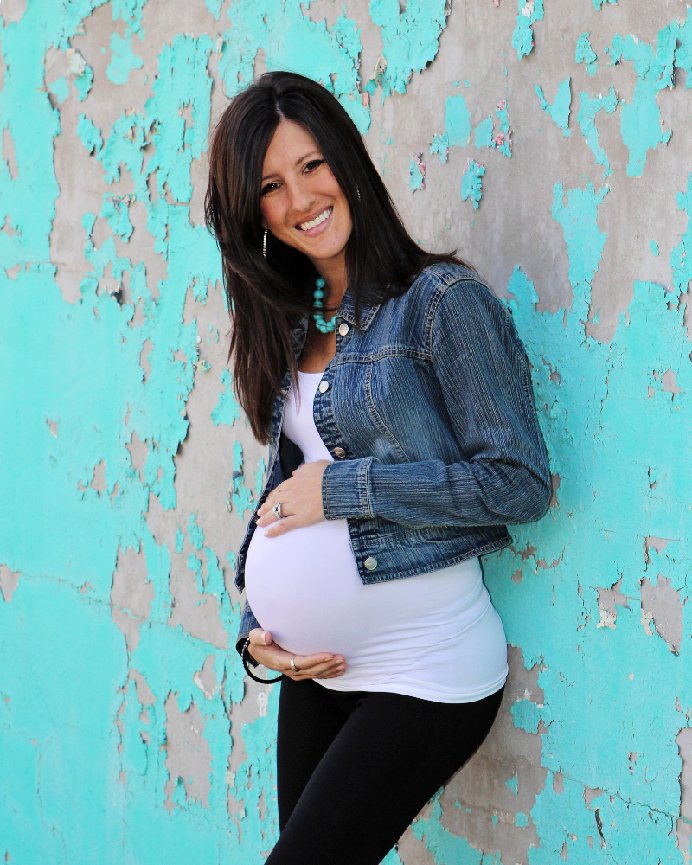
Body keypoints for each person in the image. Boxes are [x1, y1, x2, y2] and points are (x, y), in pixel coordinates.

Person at [205, 70, 551, 865]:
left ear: (349, 160)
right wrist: (256, 630)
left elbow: (519, 481)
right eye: (271, 186)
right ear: (251, 211)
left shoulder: (441, 302)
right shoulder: (293, 324)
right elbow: (283, 496)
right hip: (316, 674)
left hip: (426, 667)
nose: (300, 199)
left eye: (312, 165)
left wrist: (345, 488)